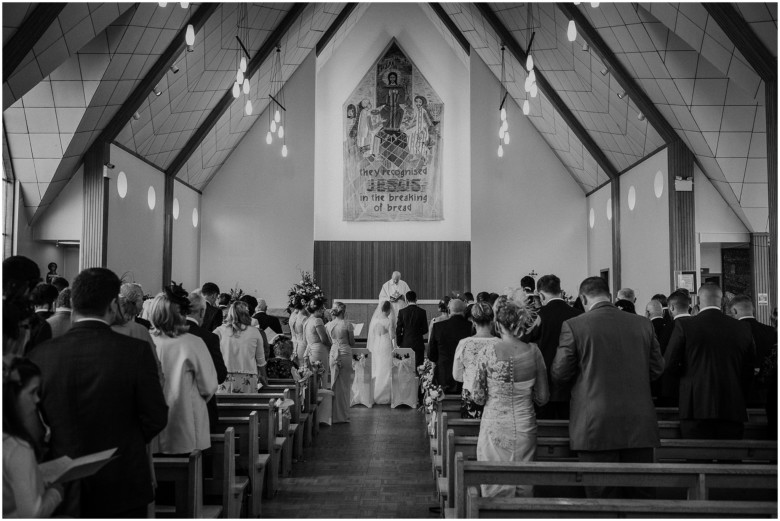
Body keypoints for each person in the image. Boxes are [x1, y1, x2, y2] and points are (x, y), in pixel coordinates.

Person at [29, 267, 168, 517]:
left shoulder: (42, 354)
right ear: (113, 305)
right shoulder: (135, 351)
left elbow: (35, 421)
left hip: (62, 483)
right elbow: (156, 416)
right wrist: (124, 441)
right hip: (122, 477)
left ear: (72, 302)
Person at [552, 276, 663, 499]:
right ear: (610, 295)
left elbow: (559, 373)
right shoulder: (643, 323)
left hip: (595, 424)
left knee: (601, 498)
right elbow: (657, 369)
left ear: (583, 297)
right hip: (638, 422)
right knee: (640, 499)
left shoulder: (575, 325)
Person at [472, 295, 548, 497]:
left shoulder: (487, 352)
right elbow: (543, 397)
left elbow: (478, 397)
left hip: (494, 425)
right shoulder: (534, 352)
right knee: (523, 483)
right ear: (520, 322)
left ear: (497, 323)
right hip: (524, 425)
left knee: (494, 484)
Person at [665, 284, 756, 439]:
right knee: (730, 460)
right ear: (721, 302)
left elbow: (669, 364)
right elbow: (749, 368)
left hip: (694, 405)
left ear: (699, 300)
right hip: (732, 405)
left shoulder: (685, 325)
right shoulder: (742, 328)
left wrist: (688, 376)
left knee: (697, 458)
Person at [149, 288, 218, 454]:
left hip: (151, 425)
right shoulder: (193, 343)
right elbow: (208, 386)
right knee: (188, 476)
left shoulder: (145, 339)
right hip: (184, 422)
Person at [3, 357, 63, 518]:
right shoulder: (17, 448)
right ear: (12, 396)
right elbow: (32, 514)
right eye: (32, 392)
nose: (37, 399)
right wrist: (56, 492)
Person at [525, 274, 582, 420]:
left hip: (545, 381)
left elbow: (525, 338)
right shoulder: (578, 315)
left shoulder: (539, 315)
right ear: (560, 291)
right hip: (573, 382)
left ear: (541, 295)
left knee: (545, 426)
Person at [185, 291, 228, 433]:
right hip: (201, 405)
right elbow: (220, 375)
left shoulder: (167, 335)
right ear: (202, 311)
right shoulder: (209, 338)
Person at [453, 302, 499, 419]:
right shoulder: (500, 344)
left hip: (471, 393)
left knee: (470, 432)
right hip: (496, 395)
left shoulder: (464, 344)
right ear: (492, 320)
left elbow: (457, 375)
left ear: (473, 322)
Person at [112, 282, 163, 386]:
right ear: (133, 302)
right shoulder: (111, 325)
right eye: (142, 299)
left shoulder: (147, 325)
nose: (144, 302)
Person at [729, 294, 776, 406]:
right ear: (753, 309)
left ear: (734, 311)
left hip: (739, 389)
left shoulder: (731, 332)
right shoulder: (771, 331)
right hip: (767, 390)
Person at [215, 301, 268, 393]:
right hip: (248, 376)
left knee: (224, 406)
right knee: (247, 406)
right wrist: (264, 376)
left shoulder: (219, 331)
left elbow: (212, 354)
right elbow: (260, 359)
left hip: (224, 375)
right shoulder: (255, 332)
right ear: (247, 314)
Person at [428, 299, 473, 394]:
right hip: (465, 378)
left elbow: (431, 355)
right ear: (464, 311)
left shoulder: (438, 327)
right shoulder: (471, 327)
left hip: (443, 378)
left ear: (449, 311)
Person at [656, 290, 692, 407]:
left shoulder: (669, 328)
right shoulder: (698, 325)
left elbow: (661, 356)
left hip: (671, 387)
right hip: (695, 388)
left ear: (671, 307)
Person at [326, 302, 355, 423]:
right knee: (345, 385)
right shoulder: (347, 324)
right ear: (344, 311)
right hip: (345, 353)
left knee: (334, 383)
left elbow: (329, 341)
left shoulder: (328, 325)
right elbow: (352, 343)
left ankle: (333, 415)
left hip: (333, 354)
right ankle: (343, 416)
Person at [367, 300, 395, 404]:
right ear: (388, 310)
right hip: (385, 345)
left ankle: (375, 394)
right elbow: (392, 336)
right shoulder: (388, 321)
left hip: (376, 345)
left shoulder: (374, 320)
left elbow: (372, 335)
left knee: (378, 367)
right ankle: (384, 395)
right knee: (386, 368)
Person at [304, 298, 332, 387]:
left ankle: (314, 398)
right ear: (319, 309)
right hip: (319, 350)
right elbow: (324, 339)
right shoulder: (317, 320)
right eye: (322, 308)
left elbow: (305, 340)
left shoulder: (307, 320)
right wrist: (332, 346)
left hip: (310, 349)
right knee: (322, 377)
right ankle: (322, 399)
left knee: (314, 377)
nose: (323, 311)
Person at [396, 290, 428, 368]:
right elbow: (425, 329)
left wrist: (399, 343)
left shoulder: (402, 312)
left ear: (406, 300)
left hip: (405, 342)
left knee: (406, 369)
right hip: (418, 343)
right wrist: (417, 333)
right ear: (416, 299)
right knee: (419, 368)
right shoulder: (422, 312)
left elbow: (398, 329)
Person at [289, 296, 309, 363]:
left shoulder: (293, 316)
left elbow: (293, 333)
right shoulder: (304, 318)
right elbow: (308, 335)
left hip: (294, 343)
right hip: (303, 344)